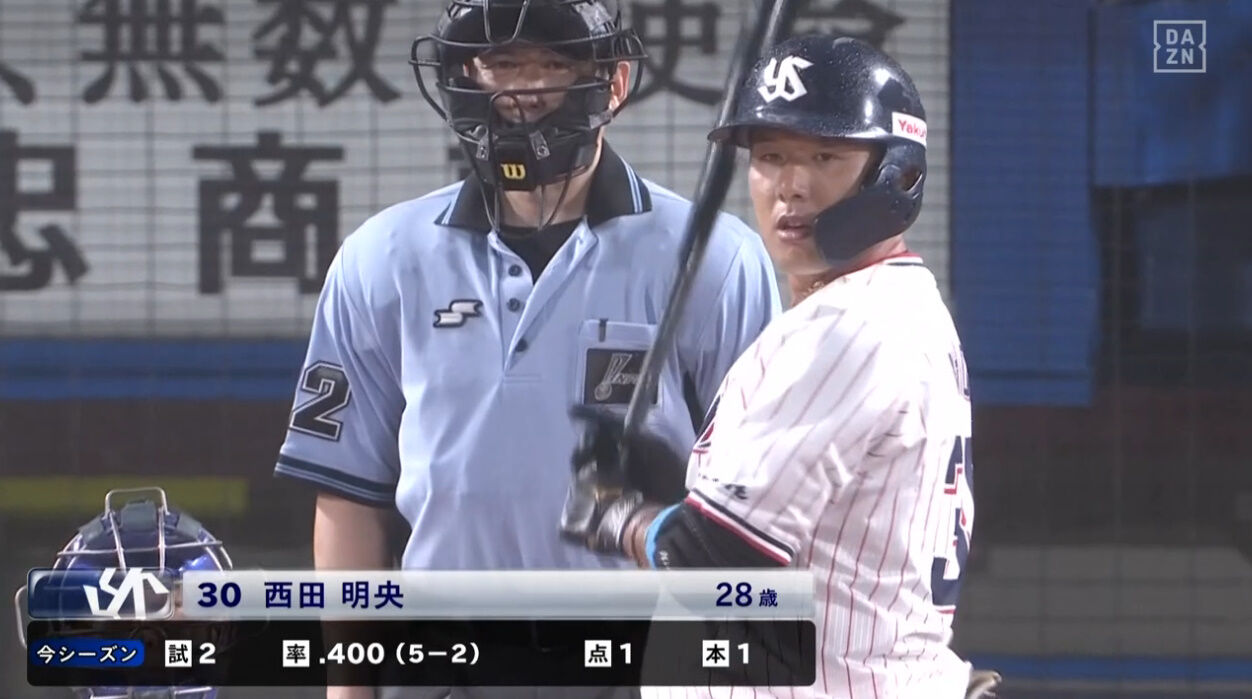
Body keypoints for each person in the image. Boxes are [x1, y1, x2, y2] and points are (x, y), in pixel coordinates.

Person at [273, 0, 780, 697]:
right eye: (502, 64)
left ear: (614, 82)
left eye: (552, 64)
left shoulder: (717, 260)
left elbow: (759, 504)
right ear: (465, 76)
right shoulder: (380, 259)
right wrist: (348, 686)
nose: (523, 89)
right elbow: (350, 496)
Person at [560, 35, 984, 698]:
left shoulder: (845, 326)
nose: (791, 185)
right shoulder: (899, 303)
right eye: (771, 156)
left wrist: (619, 518)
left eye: (825, 156)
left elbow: (717, 563)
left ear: (895, 170)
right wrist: (681, 490)